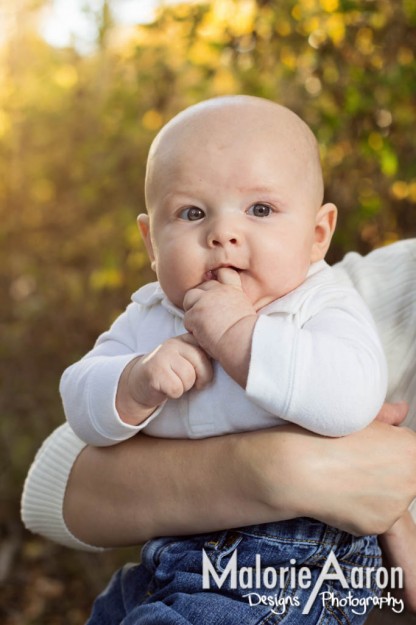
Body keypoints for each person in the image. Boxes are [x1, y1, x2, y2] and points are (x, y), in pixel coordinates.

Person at [21, 102, 416, 619]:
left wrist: (239, 335)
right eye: (191, 213)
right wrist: (133, 383)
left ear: (318, 235)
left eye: (260, 210)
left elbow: (350, 399)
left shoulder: (321, 304)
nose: (222, 234)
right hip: (168, 561)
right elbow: (73, 424)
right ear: (151, 242)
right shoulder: (155, 313)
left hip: (286, 571)